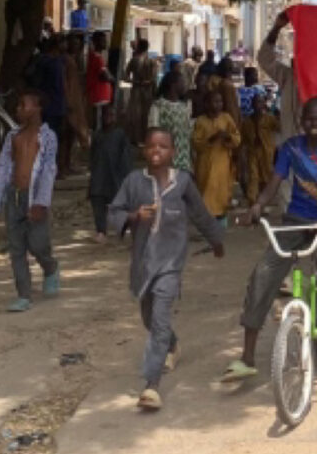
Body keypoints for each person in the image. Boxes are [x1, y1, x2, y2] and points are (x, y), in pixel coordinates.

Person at [222, 97, 317, 381]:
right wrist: (257, 206)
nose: (314, 124)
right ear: (301, 120)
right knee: (262, 277)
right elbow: (274, 182)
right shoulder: (290, 147)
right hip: (296, 221)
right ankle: (247, 357)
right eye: (309, 118)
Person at [109, 127, 225, 410]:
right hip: (143, 264)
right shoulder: (134, 181)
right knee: (150, 319)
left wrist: (216, 241)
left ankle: (151, 385)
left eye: (163, 146)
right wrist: (134, 216)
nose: (156, 151)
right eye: (151, 146)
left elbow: (199, 213)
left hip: (171, 264)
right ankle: (172, 345)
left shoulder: (182, 182)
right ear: (144, 150)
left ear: (173, 152)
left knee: (160, 315)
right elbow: (113, 212)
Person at [0, 89, 61, 312]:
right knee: (16, 249)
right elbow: (2, 170)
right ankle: (23, 294)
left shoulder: (48, 137)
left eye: (22, 105)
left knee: (38, 245)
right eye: (17, 106)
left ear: (37, 108)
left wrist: (41, 203)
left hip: (34, 198)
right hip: (14, 197)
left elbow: (48, 171)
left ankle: (50, 267)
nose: (17, 109)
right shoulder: (12, 137)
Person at [191, 90, 241, 224]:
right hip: (205, 165)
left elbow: (237, 138)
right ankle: (207, 225)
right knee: (206, 193)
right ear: (207, 104)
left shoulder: (226, 118)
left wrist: (228, 137)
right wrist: (211, 139)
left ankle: (220, 225)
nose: (218, 105)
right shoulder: (201, 121)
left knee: (222, 194)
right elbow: (196, 143)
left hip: (223, 164)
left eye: (220, 101)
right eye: (215, 101)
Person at [88, 105, 133, 243]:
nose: (109, 118)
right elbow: (92, 156)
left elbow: (125, 158)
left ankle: (124, 228)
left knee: (119, 204)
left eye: (112, 115)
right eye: (106, 115)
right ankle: (101, 231)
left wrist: (125, 177)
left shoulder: (120, 135)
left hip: (115, 176)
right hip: (99, 176)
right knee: (98, 204)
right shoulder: (97, 135)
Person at [258, 13, 302, 144]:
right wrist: (276, 27)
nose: (293, 58)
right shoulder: (288, 76)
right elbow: (265, 59)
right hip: (288, 146)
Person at [148, 71, 193, 173]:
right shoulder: (158, 106)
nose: (185, 85)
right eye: (182, 82)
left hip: (184, 163)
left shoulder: (184, 107)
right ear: (173, 85)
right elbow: (152, 133)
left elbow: (187, 135)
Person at [59, 32, 90, 177]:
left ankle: (67, 164)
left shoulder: (75, 59)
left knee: (71, 135)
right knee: (65, 135)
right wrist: (68, 100)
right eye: (74, 43)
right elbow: (65, 82)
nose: (77, 46)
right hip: (69, 100)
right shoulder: (65, 60)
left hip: (76, 100)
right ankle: (62, 165)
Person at [240, 92, 278, 206]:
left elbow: (279, 127)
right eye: (256, 102)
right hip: (253, 152)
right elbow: (243, 139)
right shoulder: (247, 122)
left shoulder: (269, 119)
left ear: (264, 104)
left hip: (267, 152)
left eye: (260, 102)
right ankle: (252, 202)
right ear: (252, 104)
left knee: (266, 177)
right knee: (253, 176)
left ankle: (263, 201)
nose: (258, 104)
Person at [126, 40, 159, 146]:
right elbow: (154, 79)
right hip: (148, 91)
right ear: (147, 48)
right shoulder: (152, 62)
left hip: (136, 90)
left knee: (135, 115)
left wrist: (134, 82)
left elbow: (125, 76)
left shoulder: (133, 60)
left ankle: (136, 139)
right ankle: (146, 138)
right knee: (147, 115)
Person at [85, 31, 113, 130]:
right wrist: (111, 77)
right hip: (99, 96)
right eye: (103, 41)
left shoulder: (95, 57)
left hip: (98, 95)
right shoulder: (97, 58)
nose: (106, 43)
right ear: (97, 42)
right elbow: (106, 76)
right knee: (99, 123)